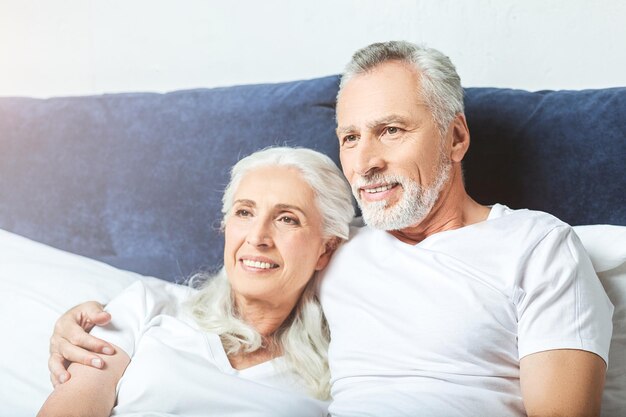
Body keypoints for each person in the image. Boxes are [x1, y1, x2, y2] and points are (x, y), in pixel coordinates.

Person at [48, 41, 613, 417]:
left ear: (456, 138)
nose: (364, 161)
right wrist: (97, 318)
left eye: (390, 131)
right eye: (349, 137)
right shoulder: (341, 248)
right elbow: (243, 283)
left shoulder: (537, 246)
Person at [38, 146, 355, 417]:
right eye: (244, 213)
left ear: (326, 249)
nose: (257, 238)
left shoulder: (342, 372)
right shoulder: (146, 304)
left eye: (287, 218)